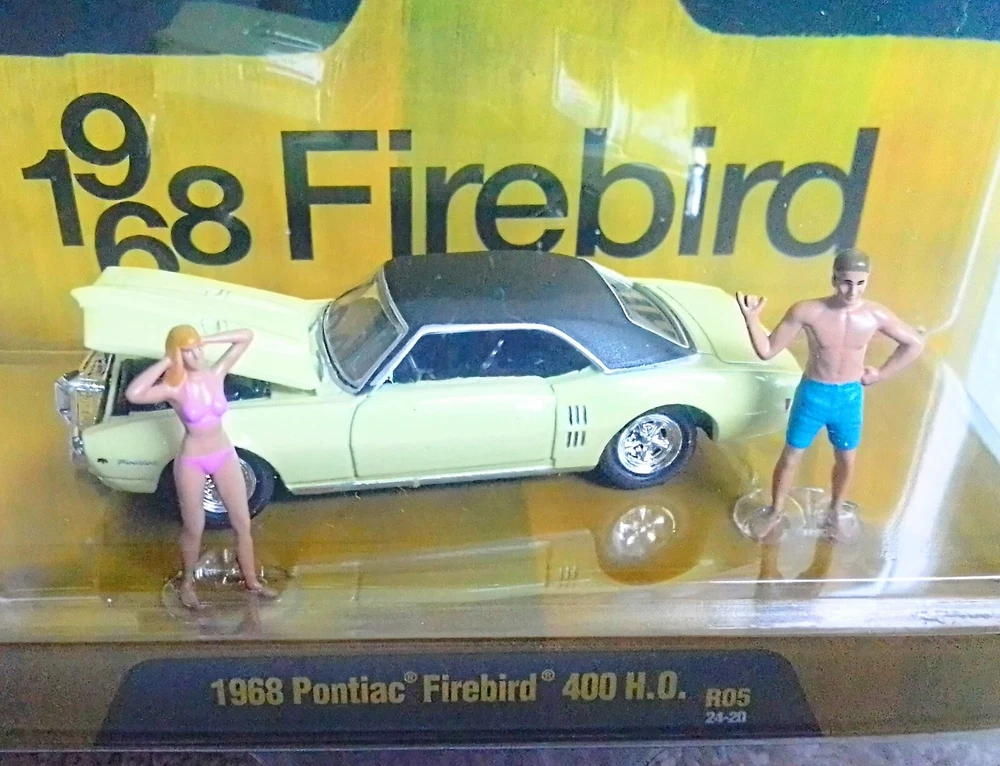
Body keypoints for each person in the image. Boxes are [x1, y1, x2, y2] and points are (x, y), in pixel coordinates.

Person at [736, 247, 924, 540]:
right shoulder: (808, 311)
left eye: (860, 283)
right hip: (813, 394)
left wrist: (881, 374)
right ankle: (776, 510)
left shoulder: (875, 314)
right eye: (846, 282)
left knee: (847, 458)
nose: (853, 291)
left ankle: (835, 510)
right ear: (834, 278)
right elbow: (767, 349)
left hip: (849, 397)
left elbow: (914, 343)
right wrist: (751, 319)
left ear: (868, 280)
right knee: (791, 456)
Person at [125, 325, 270, 609]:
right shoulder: (174, 387)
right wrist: (169, 359)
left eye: (198, 349)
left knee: (242, 522)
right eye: (188, 352)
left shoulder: (215, 374)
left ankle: (252, 581)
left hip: (223, 454)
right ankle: (187, 584)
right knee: (194, 527)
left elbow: (246, 336)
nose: (197, 355)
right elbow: (134, 393)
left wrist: (206, 339)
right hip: (192, 459)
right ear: (178, 354)